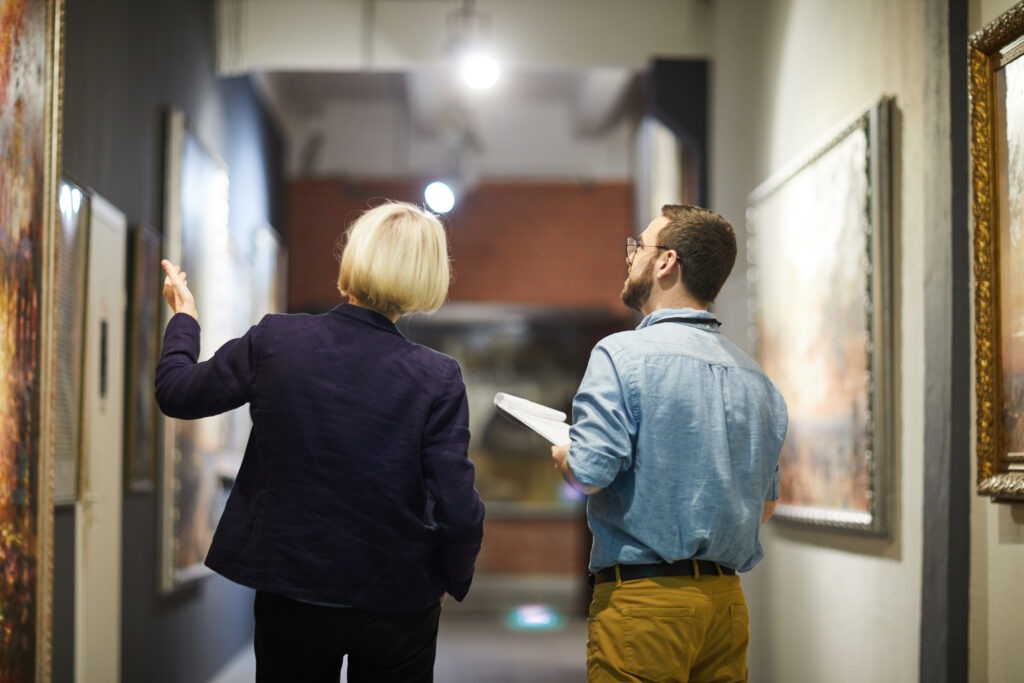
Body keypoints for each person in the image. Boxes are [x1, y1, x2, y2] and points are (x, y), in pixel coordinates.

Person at [156, 201, 485, 683]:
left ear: (354, 258)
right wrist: (451, 578)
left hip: (291, 591)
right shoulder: (436, 377)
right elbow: (457, 503)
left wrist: (184, 318)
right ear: (427, 277)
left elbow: (178, 392)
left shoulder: (278, 341)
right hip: (397, 597)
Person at [551, 204, 788, 683]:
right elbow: (765, 506)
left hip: (645, 603)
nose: (630, 257)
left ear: (666, 262)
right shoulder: (755, 377)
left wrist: (566, 455)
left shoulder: (620, 355)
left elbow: (591, 473)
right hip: (725, 607)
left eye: (639, 246)